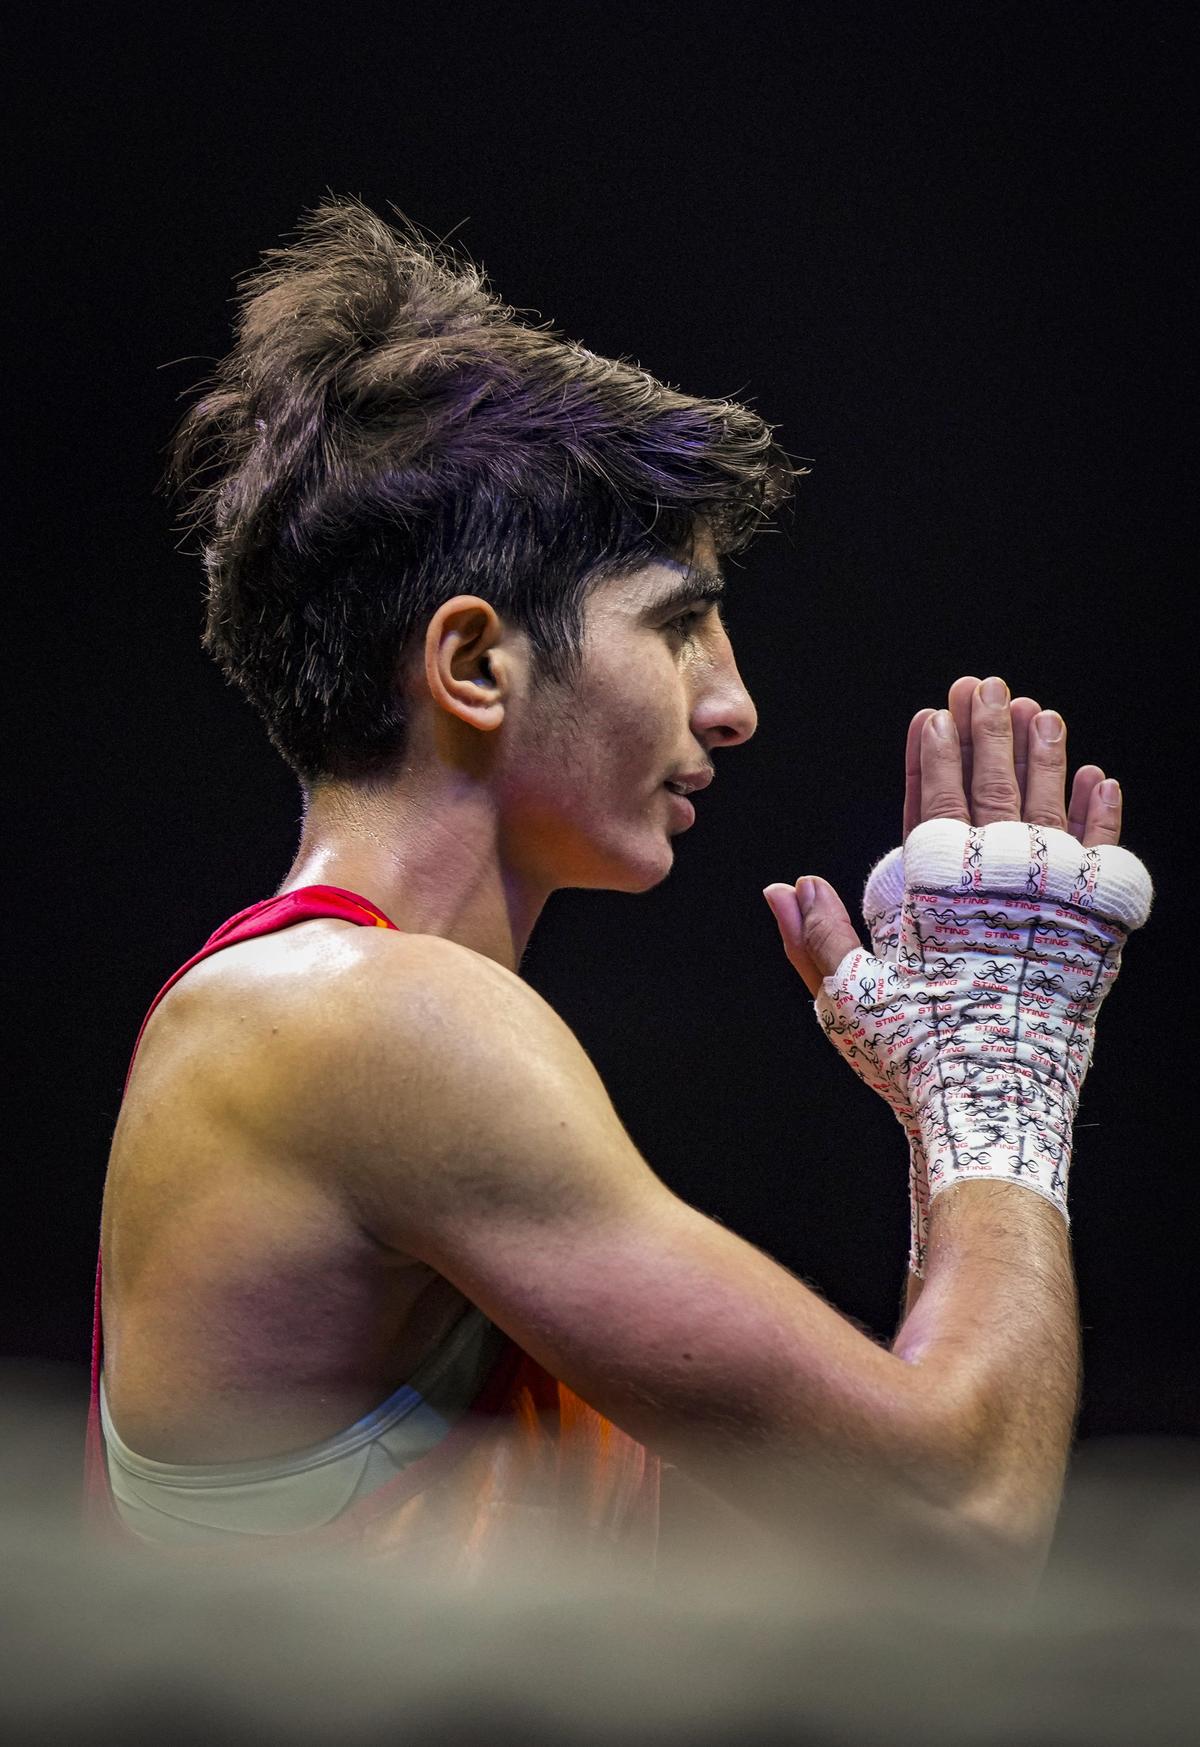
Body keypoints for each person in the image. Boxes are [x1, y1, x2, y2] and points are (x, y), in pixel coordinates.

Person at [84, 196, 1150, 1596]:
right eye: (677, 623)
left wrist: (946, 1139)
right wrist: (1001, 1083)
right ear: (474, 665)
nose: (735, 705)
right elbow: (963, 1515)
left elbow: (879, 1579)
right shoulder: (371, 1024)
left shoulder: (348, 1029)